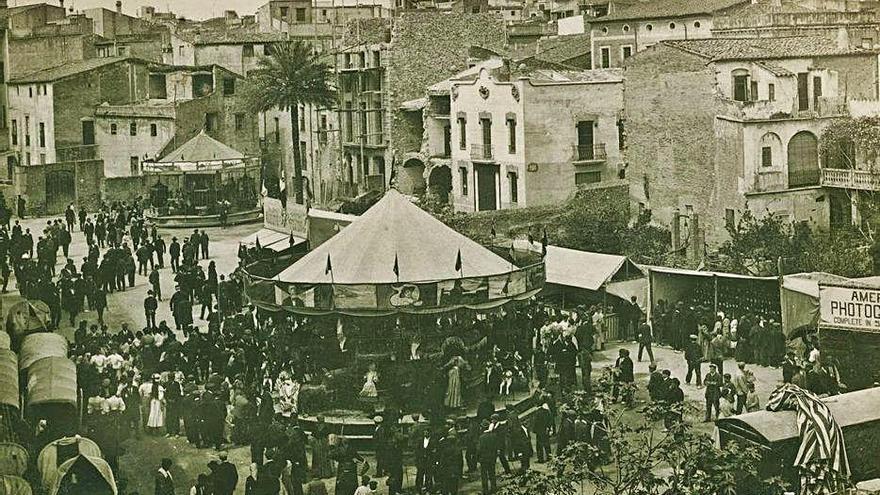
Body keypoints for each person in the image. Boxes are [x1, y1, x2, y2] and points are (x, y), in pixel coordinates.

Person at [477, 421, 497, 494]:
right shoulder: (494, 436)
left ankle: (485, 490)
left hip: (484, 459)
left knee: (484, 475)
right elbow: (496, 447)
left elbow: (479, 449)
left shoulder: (481, 437)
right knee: (492, 473)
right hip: (492, 458)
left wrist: (478, 458)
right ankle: (494, 488)